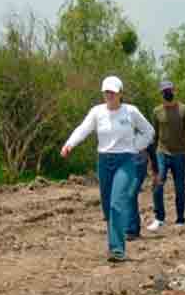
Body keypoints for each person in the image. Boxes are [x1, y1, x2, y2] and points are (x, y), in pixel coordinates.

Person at [61, 76, 154, 262]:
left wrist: (136, 147)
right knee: (107, 206)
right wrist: (69, 144)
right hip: (104, 161)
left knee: (117, 203)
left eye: (112, 92)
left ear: (120, 93)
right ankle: (114, 240)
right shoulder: (97, 112)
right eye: (106, 92)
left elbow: (149, 131)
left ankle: (117, 249)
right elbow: (83, 129)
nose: (109, 95)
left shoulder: (131, 112)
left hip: (125, 161)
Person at [146, 80, 185, 231]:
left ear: (174, 90)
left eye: (169, 90)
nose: (167, 93)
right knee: (158, 185)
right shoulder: (157, 111)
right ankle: (159, 218)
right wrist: (150, 156)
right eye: (164, 91)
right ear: (161, 93)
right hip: (162, 152)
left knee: (180, 187)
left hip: (180, 154)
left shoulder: (184, 109)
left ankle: (180, 219)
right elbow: (152, 134)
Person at [126, 149, 150, 239]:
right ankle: (131, 228)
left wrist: (155, 169)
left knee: (131, 195)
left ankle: (132, 230)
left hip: (140, 163)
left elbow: (151, 145)